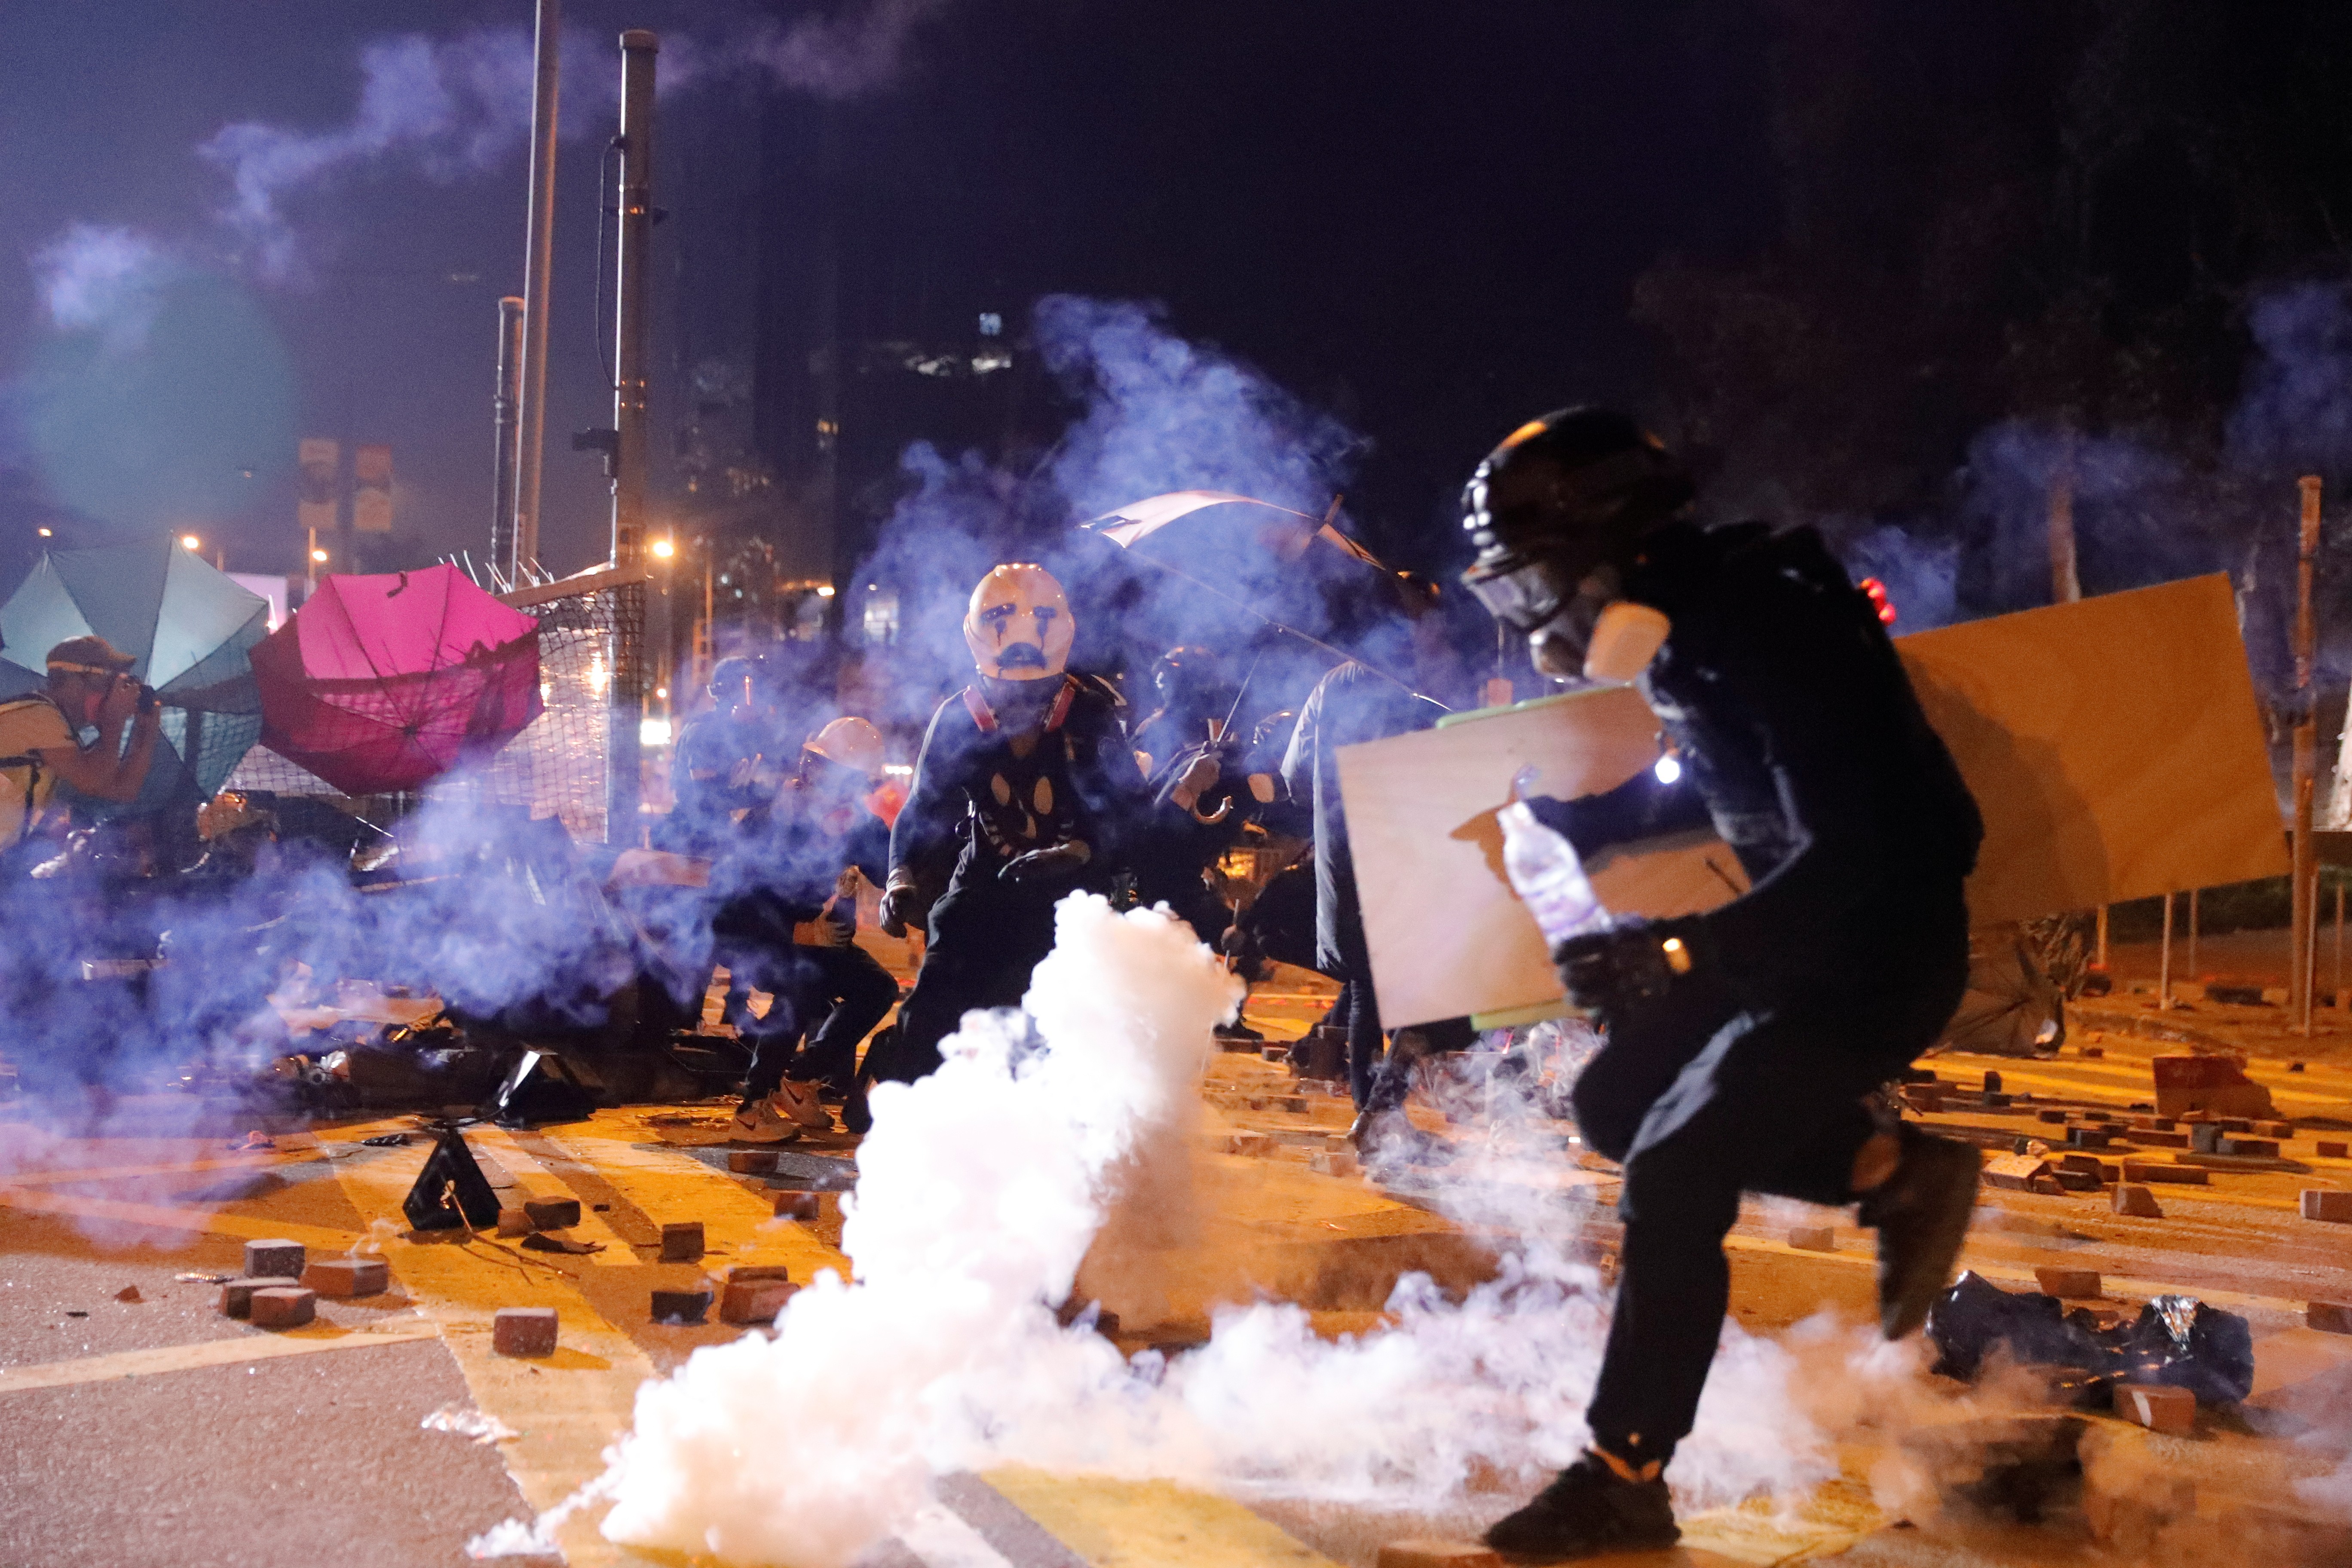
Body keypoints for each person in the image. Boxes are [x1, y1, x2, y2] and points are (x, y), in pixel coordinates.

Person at [1456, 407, 1983, 1559]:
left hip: (1874, 955)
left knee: (1677, 1166)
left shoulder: (1766, 626)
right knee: (1612, 1101)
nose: (1538, 615)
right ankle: (1891, 1172)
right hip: (1797, 939)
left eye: (1538, 578)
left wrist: (1678, 953)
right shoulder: (1700, 623)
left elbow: (1857, 852)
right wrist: (1590, 837)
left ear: (1610, 544)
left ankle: (1624, 1477)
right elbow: (1733, 785)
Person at [866, 565, 1154, 1113]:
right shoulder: (958, 718)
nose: (1019, 710)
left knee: (1054, 1038)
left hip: (1072, 902)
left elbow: (1132, 813)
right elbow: (923, 807)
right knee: (929, 1015)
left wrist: (1083, 852)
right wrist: (899, 876)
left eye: (1033, 697)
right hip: (983, 886)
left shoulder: (1092, 714)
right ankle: (904, 1114)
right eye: (1008, 695)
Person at [1280, 579, 1469, 1156]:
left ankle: (1377, 1119)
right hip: (1399, 853)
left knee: (1369, 985)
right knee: (1423, 988)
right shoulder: (1414, 690)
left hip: (1342, 847)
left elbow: (1293, 773)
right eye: (1430, 624)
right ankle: (1381, 1116)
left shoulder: (1333, 683)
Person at [716, 717, 900, 1142]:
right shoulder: (772, 820)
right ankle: (752, 1110)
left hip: (809, 941)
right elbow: (735, 900)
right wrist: (796, 932)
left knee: (876, 988)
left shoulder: (847, 820)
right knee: (802, 984)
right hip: (756, 938)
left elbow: (887, 864)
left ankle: (801, 1079)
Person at [0, 636, 163, 864]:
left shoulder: (55, 724)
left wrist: (146, 730)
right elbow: (92, 780)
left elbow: (122, 790)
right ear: (78, 681)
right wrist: (113, 721)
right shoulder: (37, 715)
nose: (115, 692)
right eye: (112, 681)